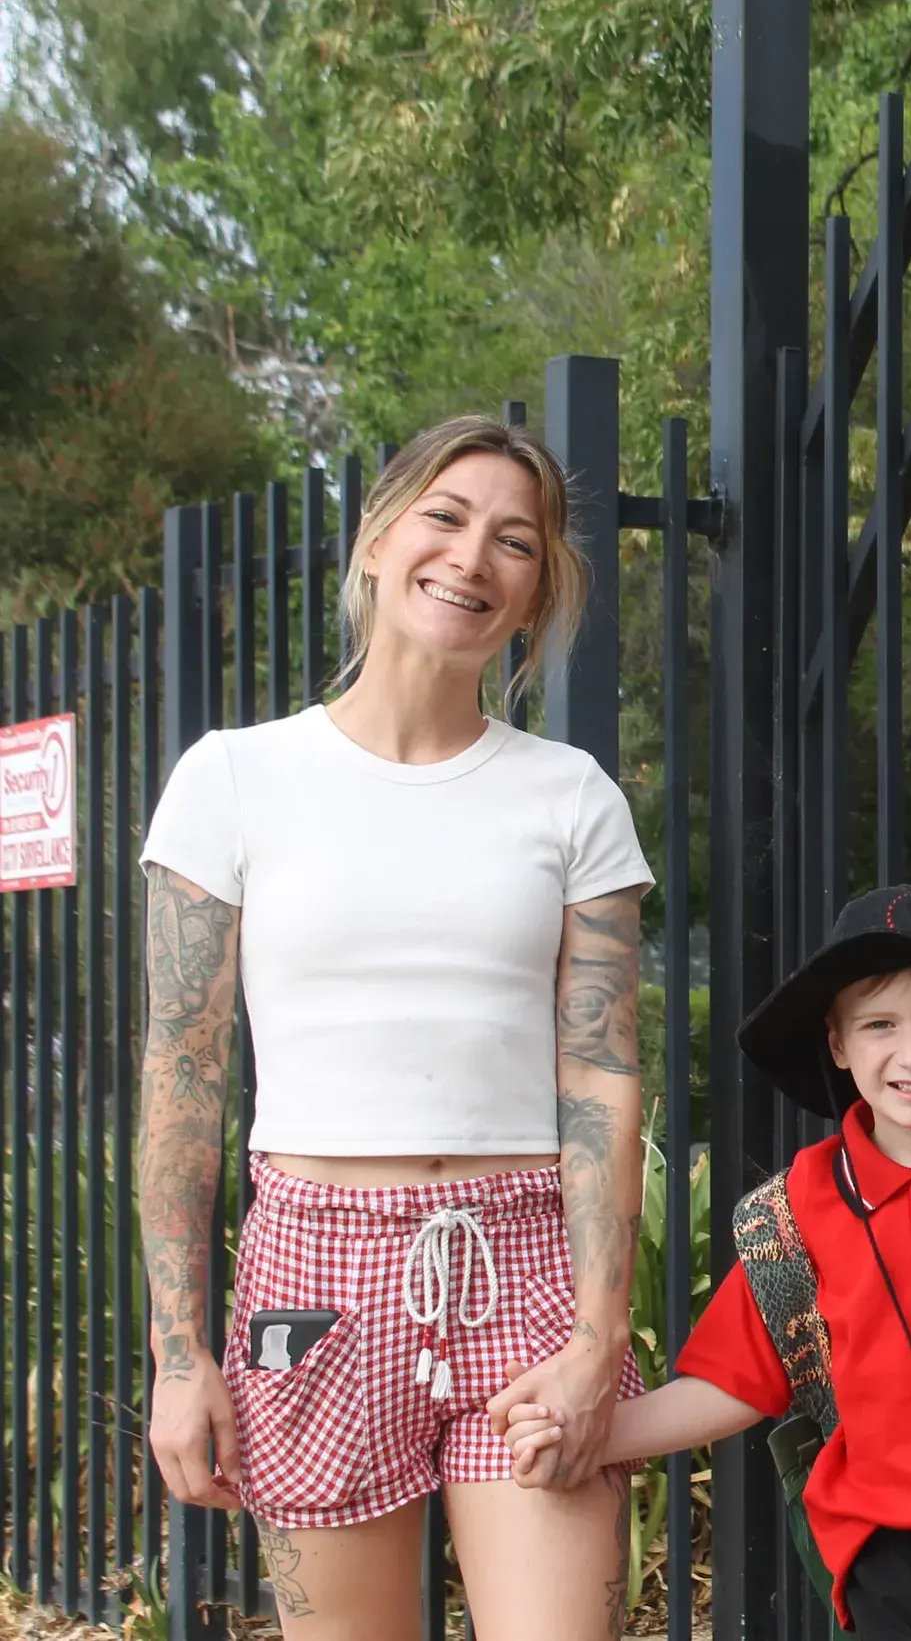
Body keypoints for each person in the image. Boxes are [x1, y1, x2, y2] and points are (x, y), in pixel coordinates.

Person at [136, 415, 653, 1640]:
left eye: (514, 540)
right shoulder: (233, 779)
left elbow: (602, 1072)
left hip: (523, 1263)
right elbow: (182, 1077)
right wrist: (176, 1353)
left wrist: (599, 1332)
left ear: (534, 593)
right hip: (312, 1274)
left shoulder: (570, 795)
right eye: (446, 515)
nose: (473, 556)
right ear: (378, 539)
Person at [503, 886, 911, 1641]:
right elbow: (732, 1381)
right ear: (837, 1044)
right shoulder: (795, 1216)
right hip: (886, 1576)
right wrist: (596, 1436)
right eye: (879, 1025)